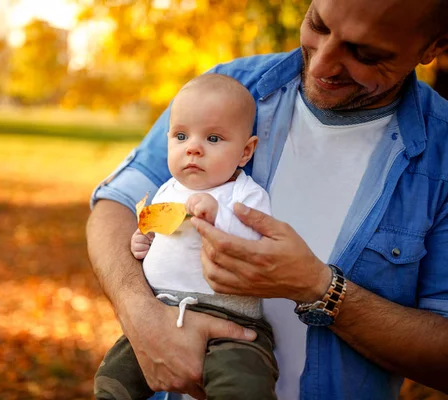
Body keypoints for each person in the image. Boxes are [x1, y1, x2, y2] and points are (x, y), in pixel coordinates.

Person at [86, 0, 448, 399]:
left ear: (434, 47)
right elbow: (115, 206)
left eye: (365, 53)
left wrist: (318, 288)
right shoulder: (227, 89)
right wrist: (141, 314)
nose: (323, 64)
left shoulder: (443, 154)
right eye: (318, 25)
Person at [94, 74, 278, 400]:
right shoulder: (168, 189)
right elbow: (161, 234)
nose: (193, 147)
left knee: (243, 385)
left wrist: (217, 218)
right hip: (163, 313)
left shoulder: (246, 196)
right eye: (181, 136)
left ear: (245, 152)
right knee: (113, 379)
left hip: (230, 319)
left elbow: (255, 245)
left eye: (214, 139)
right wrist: (143, 243)